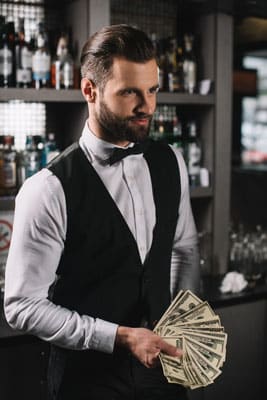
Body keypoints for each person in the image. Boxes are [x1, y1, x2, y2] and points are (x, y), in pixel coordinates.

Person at [4, 24, 200, 400]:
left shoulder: (170, 161)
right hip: (87, 380)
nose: (148, 106)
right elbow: (21, 306)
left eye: (152, 90)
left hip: (163, 377)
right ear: (90, 90)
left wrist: (184, 324)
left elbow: (185, 248)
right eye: (129, 92)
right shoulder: (47, 189)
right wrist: (121, 337)